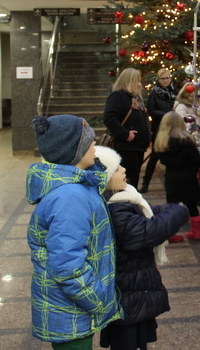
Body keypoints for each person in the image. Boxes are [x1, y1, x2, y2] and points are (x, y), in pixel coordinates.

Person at [27, 114, 122, 349]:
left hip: (70, 311)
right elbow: (68, 266)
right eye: (88, 141)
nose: (94, 146)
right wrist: (97, 299)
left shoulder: (76, 188)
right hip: (71, 314)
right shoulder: (70, 197)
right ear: (73, 151)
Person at [94, 146, 189, 350]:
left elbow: (148, 212)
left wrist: (171, 210)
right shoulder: (115, 209)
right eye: (117, 168)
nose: (124, 170)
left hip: (131, 288)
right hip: (126, 293)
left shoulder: (123, 199)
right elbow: (148, 231)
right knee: (127, 342)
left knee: (136, 341)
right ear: (106, 178)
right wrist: (180, 211)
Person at [154, 111, 200, 240]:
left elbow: (164, 161)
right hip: (188, 177)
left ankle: (171, 234)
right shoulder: (187, 141)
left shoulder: (162, 143)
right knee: (192, 205)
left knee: (172, 206)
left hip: (172, 177)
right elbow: (197, 161)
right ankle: (196, 232)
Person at [104, 68, 151, 188]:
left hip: (136, 148)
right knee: (128, 181)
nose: (140, 85)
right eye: (137, 81)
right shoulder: (117, 96)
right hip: (126, 148)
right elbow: (109, 118)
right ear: (129, 81)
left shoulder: (134, 98)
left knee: (133, 180)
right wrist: (126, 134)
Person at [140, 68, 178, 193]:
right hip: (159, 127)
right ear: (158, 79)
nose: (166, 80)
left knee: (173, 154)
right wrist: (166, 114)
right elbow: (151, 109)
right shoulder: (154, 93)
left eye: (167, 78)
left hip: (173, 127)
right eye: (163, 78)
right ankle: (146, 182)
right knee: (155, 155)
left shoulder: (175, 91)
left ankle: (172, 183)